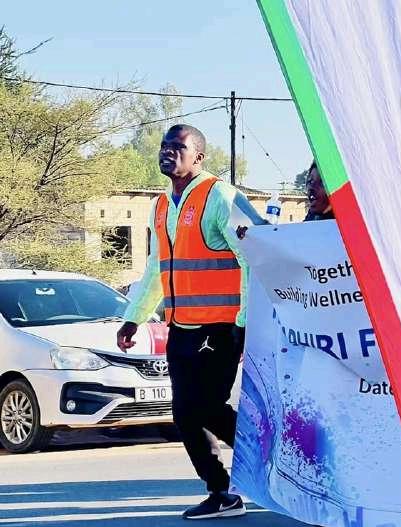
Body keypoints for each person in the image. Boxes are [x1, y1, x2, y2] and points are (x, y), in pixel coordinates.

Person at [116, 124, 258, 520]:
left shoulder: (221, 196)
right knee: (184, 414)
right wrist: (133, 318)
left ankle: (269, 456)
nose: (167, 151)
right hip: (181, 328)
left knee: (207, 408)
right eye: (164, 145)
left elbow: (253, 256)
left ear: (199, 156)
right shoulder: (161, 205)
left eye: (178, 146)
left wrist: (245, 320)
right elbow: (155, 268)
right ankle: (222, 492)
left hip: (222, 327)